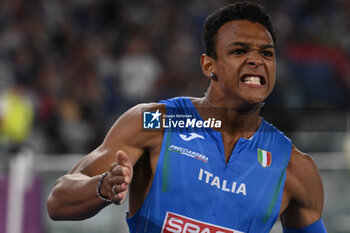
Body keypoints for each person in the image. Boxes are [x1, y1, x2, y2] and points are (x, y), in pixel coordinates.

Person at [47, 2, 327, 232]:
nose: (257, 60)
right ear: (209, 65)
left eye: (267, 53)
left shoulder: (293, 166)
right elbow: (58, 201)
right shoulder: (158, 123)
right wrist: (103, 186)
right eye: (239, 51)